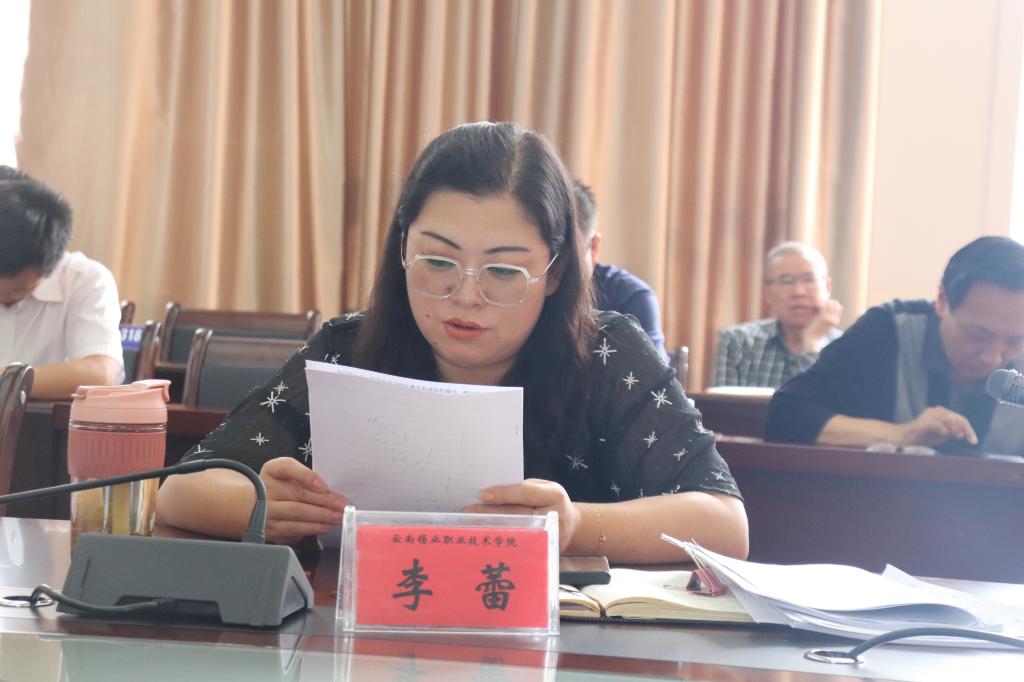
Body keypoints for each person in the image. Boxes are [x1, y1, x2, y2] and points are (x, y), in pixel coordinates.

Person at [157, 122, 748, 562]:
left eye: (503, 271)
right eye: (438, 261)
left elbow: (726, 523)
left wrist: (573, 526)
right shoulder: (351, 347)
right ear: (402, 250)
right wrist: (263, 506)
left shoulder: (607, 354)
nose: (466, 296)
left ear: (556, 273)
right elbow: (179, 491)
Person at [765, 236, 1024, 452]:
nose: (993, 357)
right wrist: (902, 434)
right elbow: (787, 415)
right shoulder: (889, 331)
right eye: (978, 335)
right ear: (942, 301)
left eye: (1015, 341)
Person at [0, 167, 123, 398]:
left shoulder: (85, 279)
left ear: (49, 265)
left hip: (48, 420)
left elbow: (100, 373)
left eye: (16, 290)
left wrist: (6, 380)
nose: (1, 297)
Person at [712, 241, 842, 388]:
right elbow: (723, 402)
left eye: (808, 279)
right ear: (767, 292)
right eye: (786, 281)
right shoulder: (738, 341)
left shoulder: (846, 348)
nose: (798, 292)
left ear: (827, 287)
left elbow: (817, 400)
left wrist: (811, 340)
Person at [573, 180, 668, 362]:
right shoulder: (532, 288)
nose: (555, 269)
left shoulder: (631, 298)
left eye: (567, 254)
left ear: (593, 247)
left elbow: (648, 374)